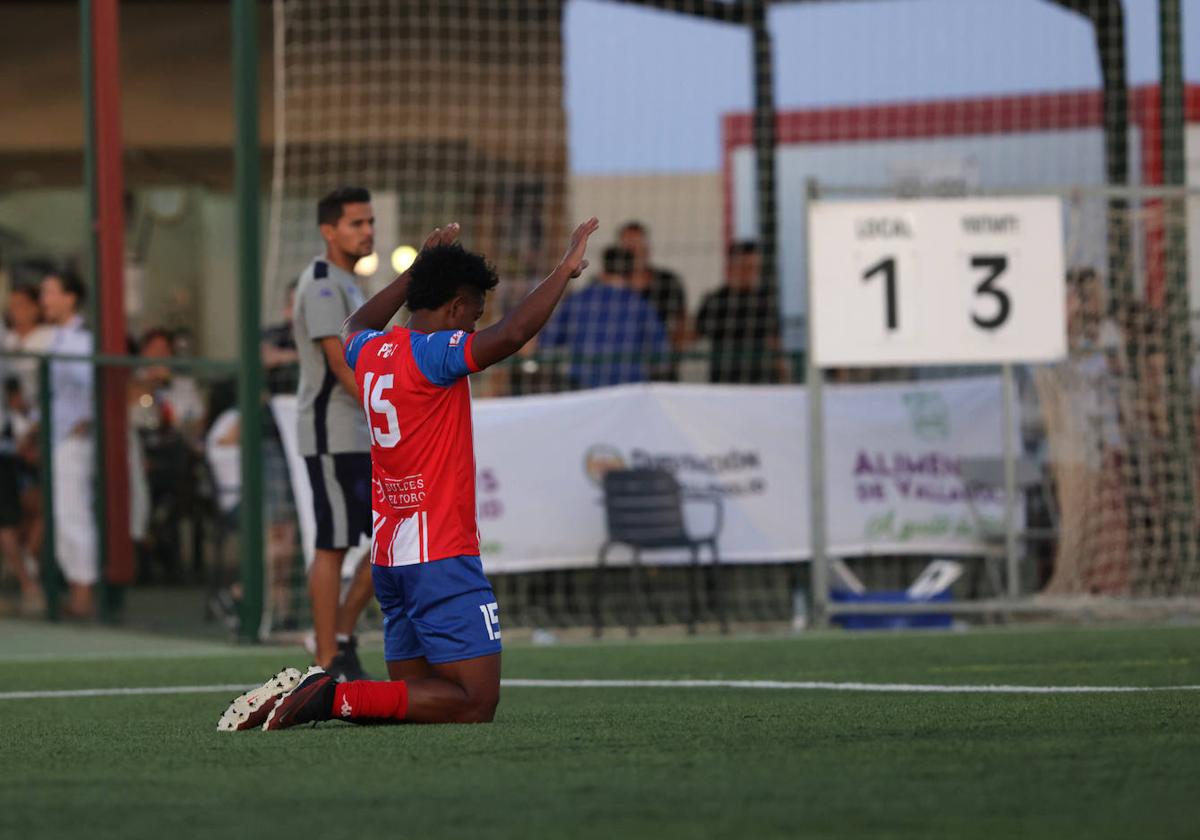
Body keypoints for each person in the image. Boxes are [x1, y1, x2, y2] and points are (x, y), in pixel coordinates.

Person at [218, 216, 598, 731]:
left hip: (392, 558)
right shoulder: (434, 355)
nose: (472, 326)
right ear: (456, 307)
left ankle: (328, 698)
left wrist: (414, 272)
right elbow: (513, 334)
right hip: (440, 554)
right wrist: (563, 270)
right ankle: (329, 698)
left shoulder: (372, 350)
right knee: (474, 702)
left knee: (419, 703)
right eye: (472, 315)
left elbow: (352, 325)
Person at [289, 186, 379, 681]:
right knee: (333, 543)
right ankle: (326, 658)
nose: (367, 231)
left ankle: (340, 633)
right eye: (356, 224)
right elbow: (340, 361)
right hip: (332, 432)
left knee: (386, 537)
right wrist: (387, 405)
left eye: (369, 223)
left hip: (359, 432)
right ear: (329, 231)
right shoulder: (322, 280)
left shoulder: (350, 282)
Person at [39, 271, 97, 618]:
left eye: (50, 292)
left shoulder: (80, 342)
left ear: (70, 297)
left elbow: (93, 389)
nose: (44, 299)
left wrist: (81, 425)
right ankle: (76, 585)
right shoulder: (58, 338)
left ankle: (84, 591)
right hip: (56, 437)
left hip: (72, 441)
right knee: (61, 515)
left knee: (73, 513)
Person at [538, 245, 668, 388]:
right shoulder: (640, 305)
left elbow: (547, 340)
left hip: (582, 385)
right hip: (628, 386)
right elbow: (661, 352)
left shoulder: (577, 301)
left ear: (603, 270)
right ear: (632, 273)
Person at [695, 241, 780, 383]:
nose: (751, 273)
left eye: (755, 268)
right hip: (724, 380)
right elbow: (692, 336)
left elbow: (774, 342)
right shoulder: (715, 301)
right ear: (731, 267)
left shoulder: (765, 300)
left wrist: (784, 378)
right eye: (746, 267)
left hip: (762, 381)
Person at [618, 221, 687, 354]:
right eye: (628, 248)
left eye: (637, 246)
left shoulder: (669, 282)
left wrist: (672, 351)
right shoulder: (607, 286)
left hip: (660, 363)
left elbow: (682, 323)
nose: (633, 252)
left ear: (647, 248)